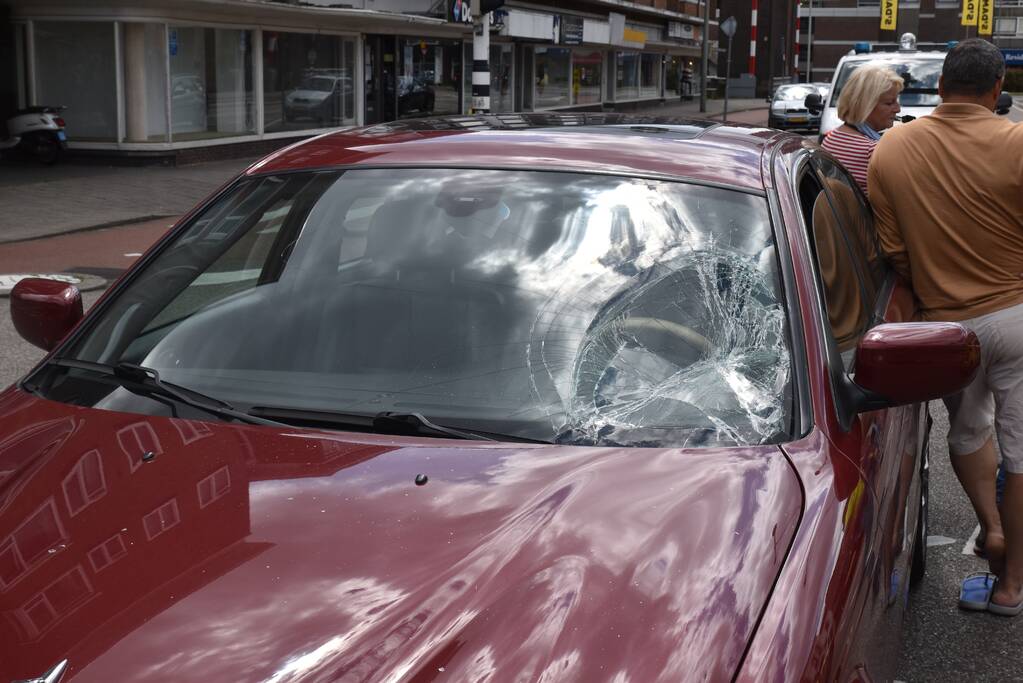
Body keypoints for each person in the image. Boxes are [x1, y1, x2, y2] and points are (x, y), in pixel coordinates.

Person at [868, 38, 1023, 615]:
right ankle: (1010, 588)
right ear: (996, 89)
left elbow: (892, 250)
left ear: (940, 86)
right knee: (1022, 449)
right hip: (1016, 313)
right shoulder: (1018, 141)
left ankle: (992, 526)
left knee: (966, 433)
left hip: (948, 329)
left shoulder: (892, 149)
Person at [821, 65, 903, 195]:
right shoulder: (873, 150)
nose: (898, 109)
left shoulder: (831, 138)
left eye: (897, 101)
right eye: (889, 103)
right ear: (865, 106)